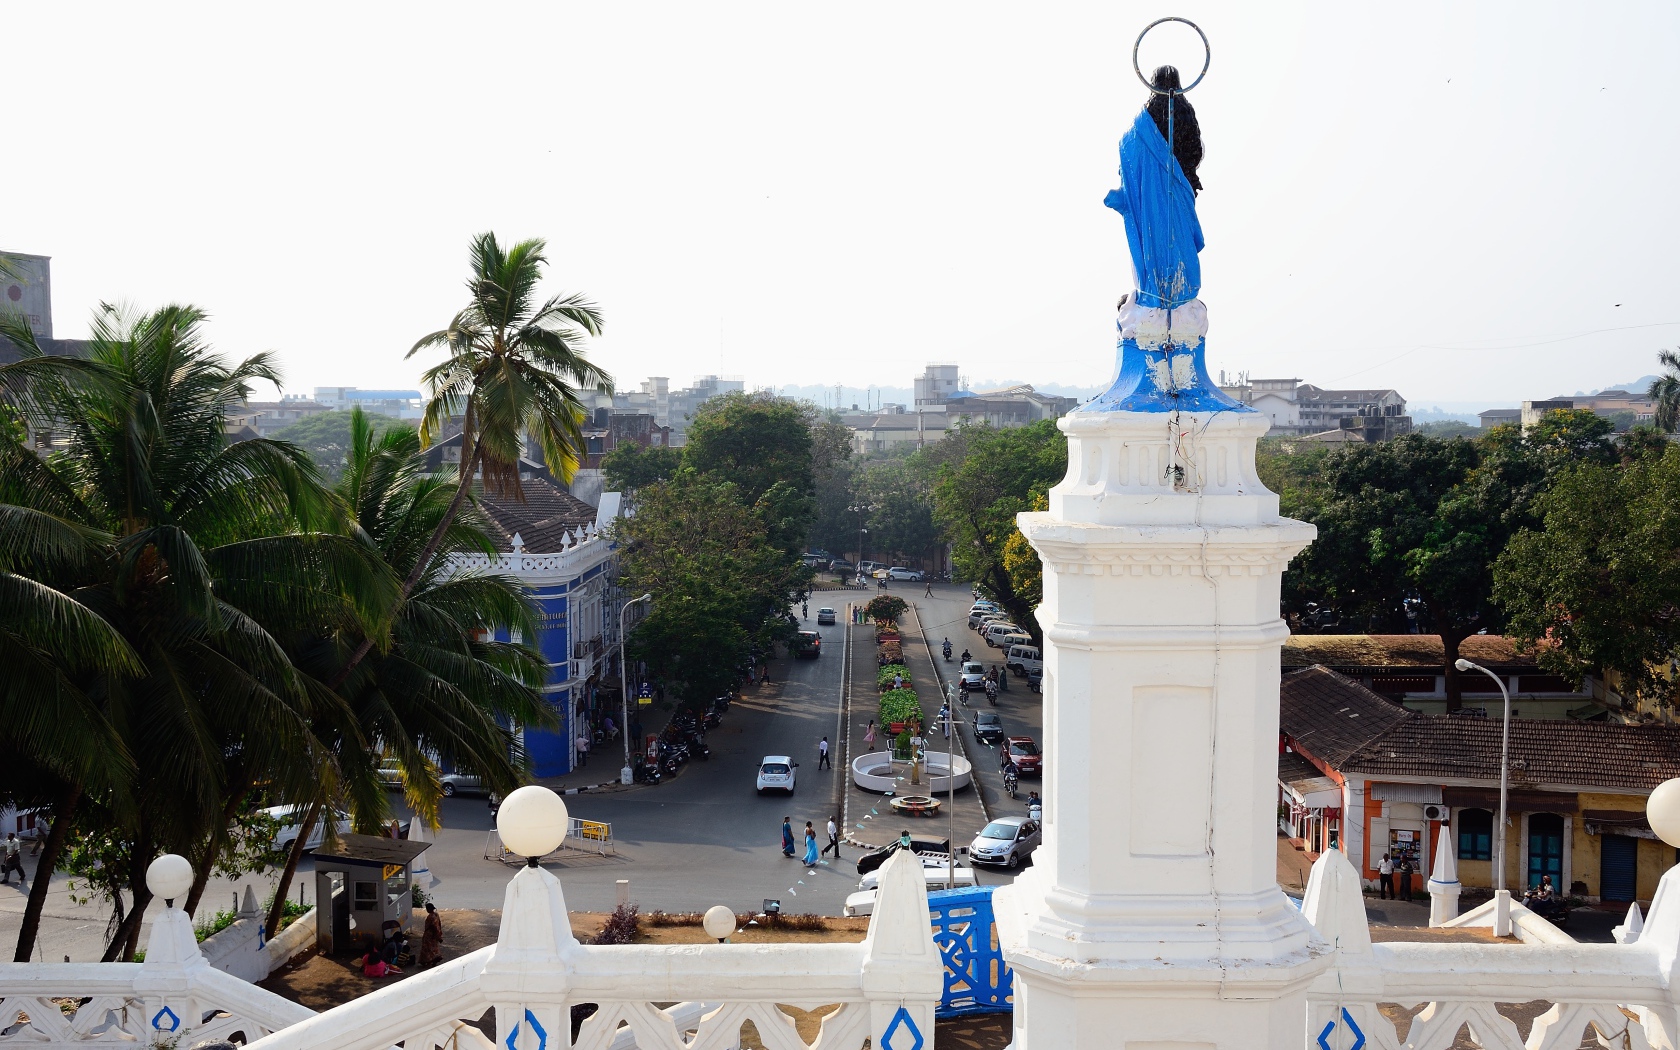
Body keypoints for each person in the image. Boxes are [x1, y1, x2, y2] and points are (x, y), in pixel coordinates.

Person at [419, 902, 444, 968]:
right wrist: (439, 934)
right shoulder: (436, 915)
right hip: (435, 934)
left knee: (427, 948)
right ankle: (434, 958)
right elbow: (439, 924)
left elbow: (433, 926)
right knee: (434, 947)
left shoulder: (430, 917)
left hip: (429, 934)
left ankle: (429, 960)